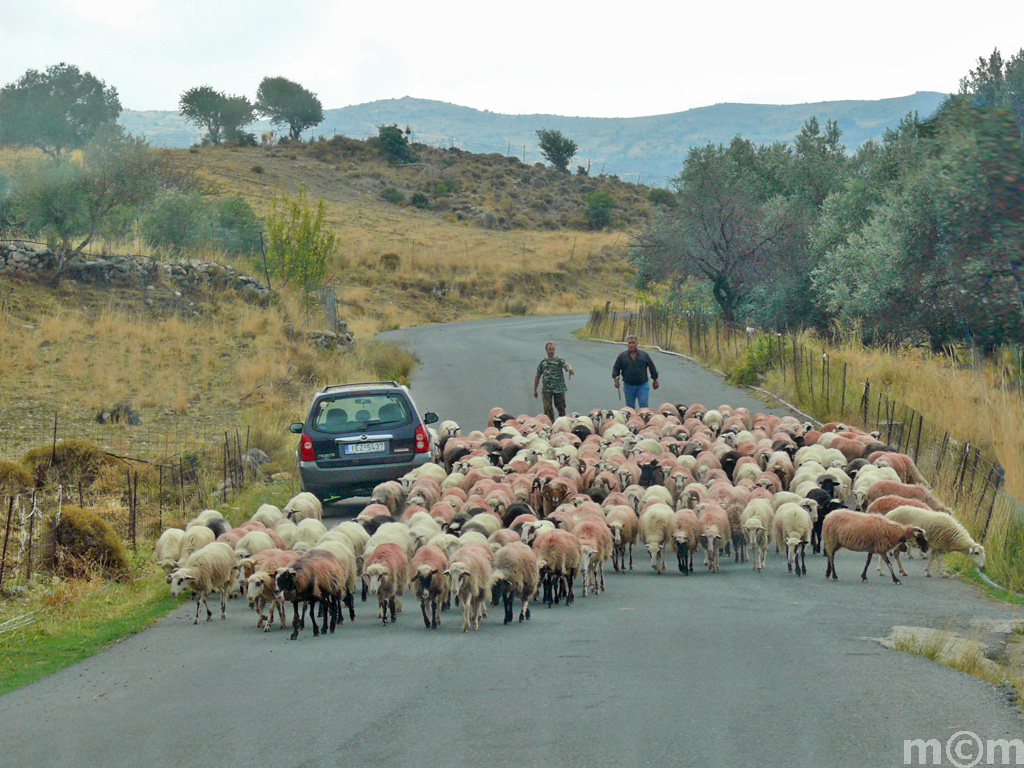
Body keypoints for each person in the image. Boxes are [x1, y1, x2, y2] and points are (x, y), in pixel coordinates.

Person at [612, 334, 659, 409]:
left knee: (644, 408)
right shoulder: (622, 356)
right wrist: (615, 379)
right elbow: (616, 368)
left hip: (642, 385)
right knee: (630, 409)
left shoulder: (644, 355)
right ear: (627, 344)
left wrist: (655, 380)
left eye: (633, 343)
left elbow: (652, 367)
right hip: (628, 386)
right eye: (629, 343)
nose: (631, 345)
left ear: (637, 344)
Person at [534, 341, 574, 421]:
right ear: (546, 350)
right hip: (547, 390)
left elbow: (566, 365)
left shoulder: (559, 360)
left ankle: (562, 425)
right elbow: (538, 376)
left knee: (561, 410)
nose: (551, 351)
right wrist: (535, 389)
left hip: (558, 389)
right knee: (548, 411)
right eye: (549, 349)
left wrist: (569, 369)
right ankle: (550, 427)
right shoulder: (543, 362)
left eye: (553, 349)